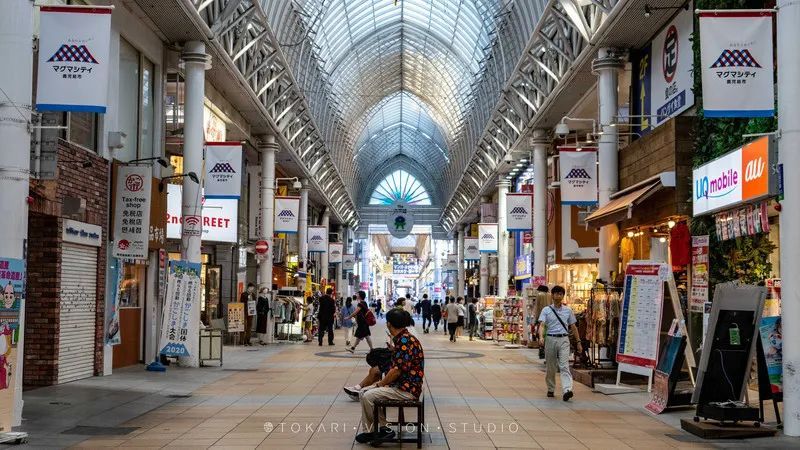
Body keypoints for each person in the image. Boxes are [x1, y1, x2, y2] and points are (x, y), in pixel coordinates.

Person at [355, 308, 424, 444]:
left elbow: (397, 371)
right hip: (404, 386)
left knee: (367, 394)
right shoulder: (403, 338)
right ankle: (372, 431)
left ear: (389, 324)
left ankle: (383, 429)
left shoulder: (404, 341)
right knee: (365, 393)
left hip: (406, 389)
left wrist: (379, 384)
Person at [538, 285, 582, 402]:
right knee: (551, 367)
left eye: (561, 294)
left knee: (564, 365)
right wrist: (541, 337)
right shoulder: (546, 310)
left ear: (563, 296)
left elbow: (573, 327)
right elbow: (542, 325)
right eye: (556, 293)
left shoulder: (568, 310)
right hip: (550, 339)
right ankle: (551, 388)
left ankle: (567, 390)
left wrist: (578, 342)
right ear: (552, 296)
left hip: (564, 339)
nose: (558, 295)